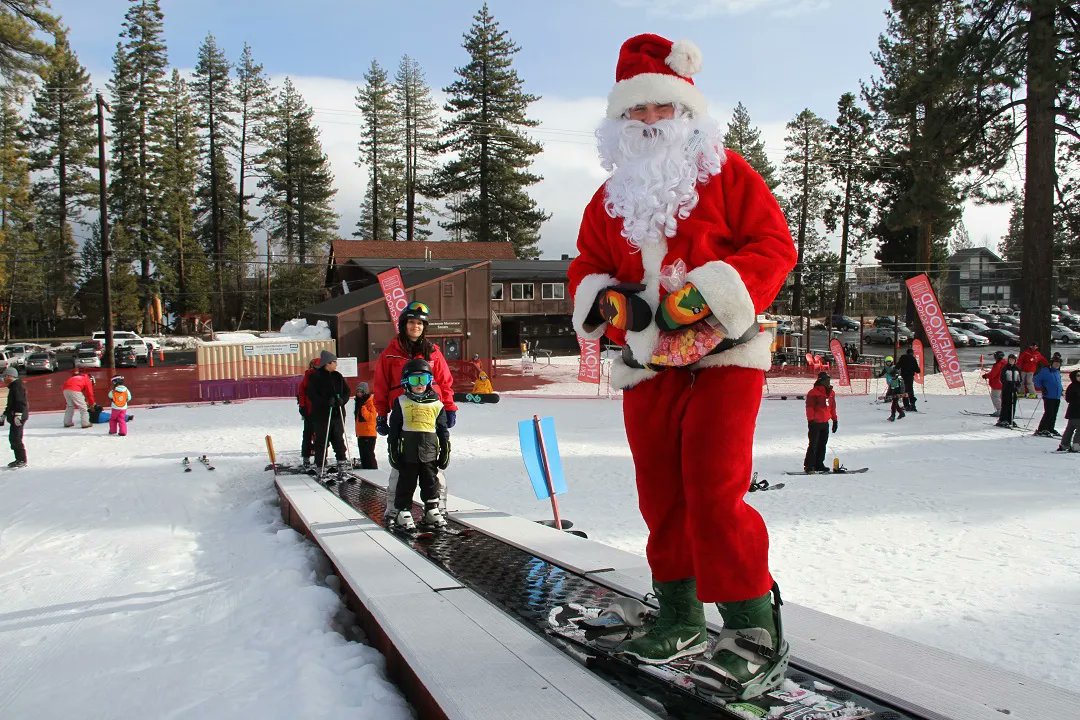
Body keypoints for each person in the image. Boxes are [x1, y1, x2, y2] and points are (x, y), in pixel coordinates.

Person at [567, 34, 797, 697]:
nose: (647, 124)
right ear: (618, 123)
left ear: (686, 113)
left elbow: (775, 246)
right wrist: (610, 303)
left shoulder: (729, 175)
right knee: (661, 494)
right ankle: (677, 614)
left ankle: (752, 626)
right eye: (634, 114)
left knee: (711, 484)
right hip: (648, 367)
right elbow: (585, 266)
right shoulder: (607, 201)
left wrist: (706, 294)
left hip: (725, 358)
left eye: (659, 110)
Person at [373, 301, 458, 519]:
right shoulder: (390, 354)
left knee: (433, 463)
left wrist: (448, 408)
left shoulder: (433, 352)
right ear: (403, 325)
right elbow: (381, 385)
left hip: (430, 414)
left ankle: (437, 507)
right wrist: (381, 414)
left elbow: (445, 382)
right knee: (402, 464)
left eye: (420, 324)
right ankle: (394, 508)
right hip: (404, 414)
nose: (415, 327)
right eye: (411, 322)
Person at [387, 359, 451, 530]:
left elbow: (443, 431)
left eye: (423, 379)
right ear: (406, 382)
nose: (420, 384)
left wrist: (445, 451)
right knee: (406, 482)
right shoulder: (401, 402)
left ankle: (431, 509)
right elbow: (394, 430)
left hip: (429, 453)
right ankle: (403, 510)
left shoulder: (437, 404)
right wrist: (392, 450)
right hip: (408, 453)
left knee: (430, 482)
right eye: (415, 380)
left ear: (429, 381)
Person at [306, 350, 350, 481]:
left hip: (337, 414)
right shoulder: (315, 377)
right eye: (334, 362)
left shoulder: (338, 376)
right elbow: (312, 395)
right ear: (327, 363)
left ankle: (342, 465)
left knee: (338, 438)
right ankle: (320, 466)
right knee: (322, 440)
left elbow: (347, 391)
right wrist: (326, 402)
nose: (336, 365)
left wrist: (342, 400)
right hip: (322, 415)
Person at [803, 372, 838, 473]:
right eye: (826, 380)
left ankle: (819, 464)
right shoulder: (813, 393)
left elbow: (832, 408)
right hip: (815, 423)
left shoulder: (831, 393)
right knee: (813, 444)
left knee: (822, 445)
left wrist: (835, 420)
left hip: (825, 423)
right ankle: (809, 466)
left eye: (829, 380)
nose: (828, 382)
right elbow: (809, 408)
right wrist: (811, 420)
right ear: (821, 381)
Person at [296, 357, 320, 467]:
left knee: (308, 434)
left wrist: (302, 406)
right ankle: (319, 458)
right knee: (318, 435)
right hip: (314, 411)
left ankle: (308, 458)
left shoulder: (307, 376)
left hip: (310, 410)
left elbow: (301, 393)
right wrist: (302, 406)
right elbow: (302, 393)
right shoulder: (313, 376)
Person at [2, 366, 28, 468]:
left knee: (15, 438)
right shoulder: (14, 386)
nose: (3, 379)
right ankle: (19, 459)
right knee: (14, 438)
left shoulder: (17, 386)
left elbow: (20, 402)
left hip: (18, 416)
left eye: (5, 376)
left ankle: (21, 460)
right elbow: (11, 404)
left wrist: (18, 415)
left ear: (10, 376)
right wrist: (5, 413)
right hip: (15, 415)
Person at [1033, 357, 1063, 438]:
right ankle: (1042, 429)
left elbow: (1058, 383)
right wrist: (1042, 387)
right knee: (1048, 413)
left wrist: (1061, 390)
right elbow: (1036, 380)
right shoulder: (1045, 371)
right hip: (1048, 395)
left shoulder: (1057, 372)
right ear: (1052, 363)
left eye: (1058, 363)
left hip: (1057, 396)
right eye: (1055, 363)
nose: (1057, 364)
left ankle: (1050, 428)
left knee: (1054, 413)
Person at [353, 381, 378, 469]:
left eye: (361, 392)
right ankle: (366, 470)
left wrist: (363, 408)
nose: (359, 394)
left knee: (369, 455)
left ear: (365, 392)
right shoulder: (358, 402)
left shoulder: (370, 402)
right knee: (363, 455)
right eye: (358, 391)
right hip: (361, 433)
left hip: (369, 433)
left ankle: (373, 470)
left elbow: (371, 418)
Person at [997, 354, 1022, 428]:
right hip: (1007, 389)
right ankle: (1003, 419)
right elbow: (1002, 379)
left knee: (1013, 405)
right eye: (1010, 360)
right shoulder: (1005, 368)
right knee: (1006, 404)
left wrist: (1018, 385)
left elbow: (1019, 379)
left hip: (1014, 389)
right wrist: (1008, 384)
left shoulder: (1017, 369)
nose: (1012, 361)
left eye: (1013, 360)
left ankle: (1011, 419)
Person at [1058, 369, 1079, 452]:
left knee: (1070, 429)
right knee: (1076, 429)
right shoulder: (1073, 386)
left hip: (1073, 412)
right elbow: (1069, 398)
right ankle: (1076, 445)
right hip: (1075, 411)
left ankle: (1064, 444)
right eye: (1078, 375)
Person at [879, 356, 906, 421]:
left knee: (894, 401)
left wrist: (895, 375)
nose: (888, 364)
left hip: (897, 387)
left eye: (889, 362)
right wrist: (880, 375)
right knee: (894, 401)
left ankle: (893, 415)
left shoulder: (895, 368)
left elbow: (898, 375)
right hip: (892, 385)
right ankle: (901, 413)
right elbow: (884, 372)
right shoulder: (886, 368)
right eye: (887, 362)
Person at [896, 347, 921, 412]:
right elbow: (917, 370)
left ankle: (906, 405)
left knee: (905, 391)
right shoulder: (913, 359)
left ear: (906, 352)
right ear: (912, 353)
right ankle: (913, 405)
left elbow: (897, 366)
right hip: (910, 377)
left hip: (904, 377)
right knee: (910, 390)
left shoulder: (902, 357)